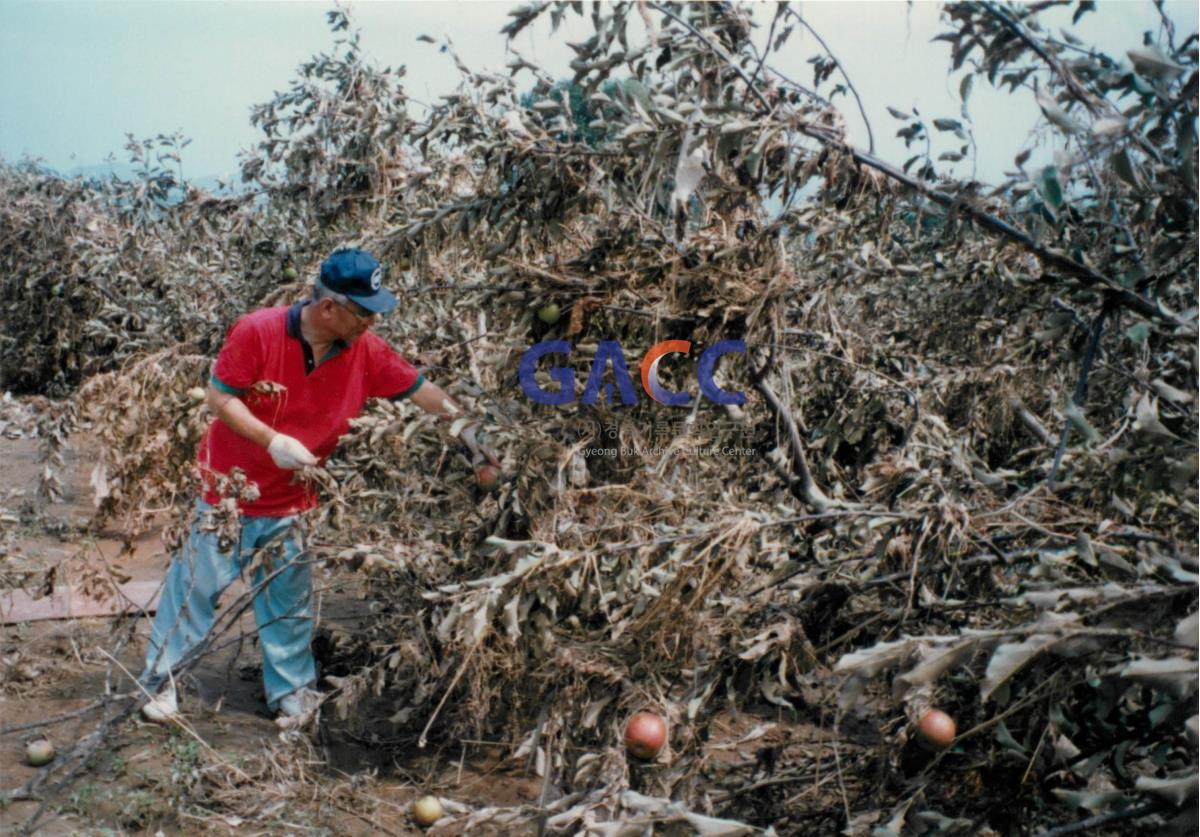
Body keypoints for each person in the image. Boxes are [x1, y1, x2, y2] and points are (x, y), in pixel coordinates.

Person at [139, 247, 497, 723]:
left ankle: (290, 691)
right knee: (197, 588)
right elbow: (219, 397)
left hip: (295, 498)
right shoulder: (259, 331)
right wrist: (271, 440)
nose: (371, 322)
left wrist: (467, 427)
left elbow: (418, 389)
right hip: (230, 489)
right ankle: (161, 681)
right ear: (329, 307)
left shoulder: (363, 350)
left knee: (289, 601)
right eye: (364, 312)